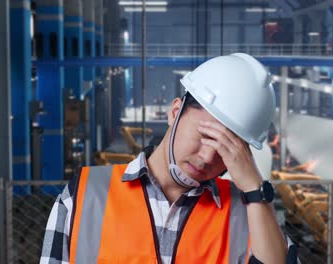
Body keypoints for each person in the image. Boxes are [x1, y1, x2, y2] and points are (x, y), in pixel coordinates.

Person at [40, 53, 298, 264]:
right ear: (175, 112)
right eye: (204, 136)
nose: (207, 157)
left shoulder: (248, 213)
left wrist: (255, 189)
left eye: (224, 148)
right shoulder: (83, 196)